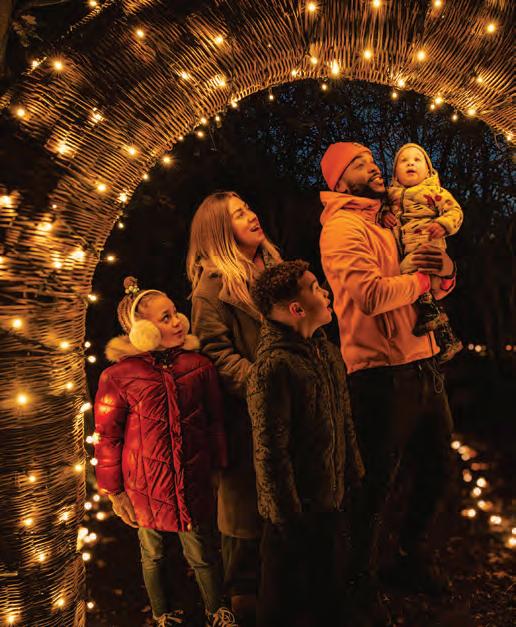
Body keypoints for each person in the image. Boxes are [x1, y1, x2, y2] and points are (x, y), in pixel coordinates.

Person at [319, 142, 457, 625]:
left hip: (423, 361)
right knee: (374, 485)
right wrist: (420, 282)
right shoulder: (342, 228)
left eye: (372, 158)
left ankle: (410, 557)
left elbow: (432, 280)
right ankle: (356, 585)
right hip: (379, 373)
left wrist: (445, 272)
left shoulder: (389, 221)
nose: (374, 166)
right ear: (339, 181)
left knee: (439, 469)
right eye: (359, 163)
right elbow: (372, 295)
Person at [93, 276, 239, 627]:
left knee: (202, 550)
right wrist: (114, 491)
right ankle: (163, 613)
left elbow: (214, 420)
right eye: (166, 318)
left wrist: (217, 466)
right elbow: (107, 436)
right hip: (144, 485)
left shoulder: (199, 366)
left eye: (175, 313)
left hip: (191, 477)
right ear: (142, 331)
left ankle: (217, 610)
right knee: (153, 553)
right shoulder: (118, 376)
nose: (178, 322)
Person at [247, 260, 364, 627]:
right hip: (295, 517)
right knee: (286, 604)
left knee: (331, 597)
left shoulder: (326, 352)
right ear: (297, 309)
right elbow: (270, 452)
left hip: (331, 502)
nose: (325, 292)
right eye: (315, 288)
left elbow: (343, 417)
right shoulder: (273, 367)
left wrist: (353, 473)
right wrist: (288, 521)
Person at [187, 191, 281, 621]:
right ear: (219, 232)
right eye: (238, 215)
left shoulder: (275, 268)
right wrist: (263, 383)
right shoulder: (212, 289)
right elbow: (216, 352)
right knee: (246, 509)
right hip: (248, 416)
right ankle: (242, 595)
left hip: (292, 408)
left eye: (248, 208)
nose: (251, 215)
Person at [382, 142, 463, 362]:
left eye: (417, 160)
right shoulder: (390, 197)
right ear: (395, 174)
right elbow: (380, 211)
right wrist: (384, 215)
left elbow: (455, 211)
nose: (410, 163)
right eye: (404, 160)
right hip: (408, 248)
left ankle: (434, 318)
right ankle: (445, 335)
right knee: (420, 292)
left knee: (402, 275)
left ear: (428, 171)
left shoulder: (435, 192)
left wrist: (444, 225)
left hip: (428, 245)